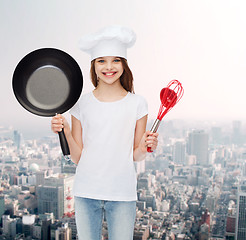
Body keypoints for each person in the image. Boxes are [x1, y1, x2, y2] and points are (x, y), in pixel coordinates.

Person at [51, 25, 158, 240]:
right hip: (86, 191)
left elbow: (136, 155)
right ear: (93, 65)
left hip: (122, 193)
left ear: (124, 64)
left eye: (116, 60)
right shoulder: (81, 103)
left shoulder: (138, 103)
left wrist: (147, 146)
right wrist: (66, 132)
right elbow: (78, 157)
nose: (109, 67)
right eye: (102, 61)